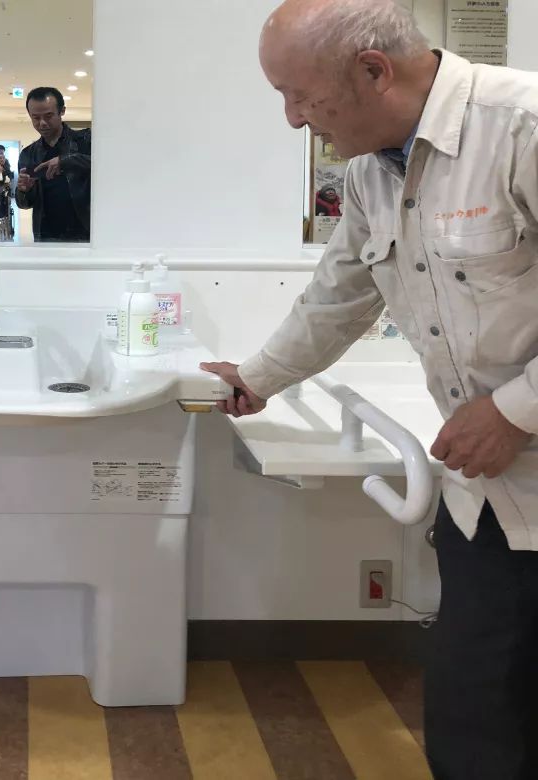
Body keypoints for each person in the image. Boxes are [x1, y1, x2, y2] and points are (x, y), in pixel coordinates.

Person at [201, 1, 538, 777]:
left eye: (299, 95)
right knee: (475, 718)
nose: (293, 119)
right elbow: (340, 296)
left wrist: (514, 413)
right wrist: (257, 379)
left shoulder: (519, 128)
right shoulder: (369, 175)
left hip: (514, 452)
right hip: (488, 499)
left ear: (374, 71)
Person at [15, 87, 91, 242]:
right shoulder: (28, 154)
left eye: (48, 116)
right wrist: (24, 190)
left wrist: (65, 161)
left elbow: (108, 165)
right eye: (36, 118)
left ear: (62, 111)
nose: (42, 123)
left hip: (85, 233)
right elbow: (24, 204)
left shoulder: (86, 141)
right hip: (45, 235)